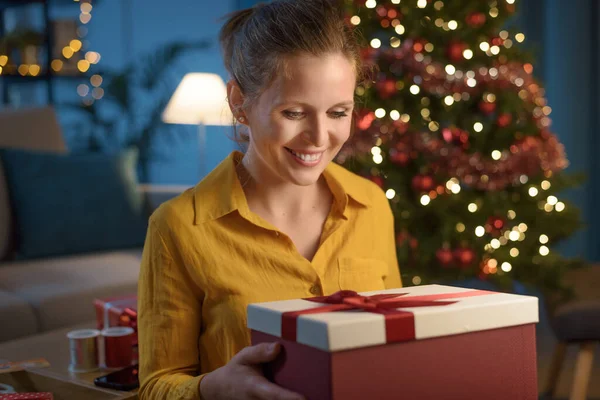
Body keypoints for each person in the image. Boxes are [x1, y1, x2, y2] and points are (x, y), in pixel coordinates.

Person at [137, 1, 402, 399]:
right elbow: (157, 385)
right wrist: (212, 389)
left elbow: (394, 344)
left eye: (338, 112)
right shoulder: (177, 226)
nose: (319, 137)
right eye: (294, 113)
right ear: (239, 102)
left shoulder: (371, 205)